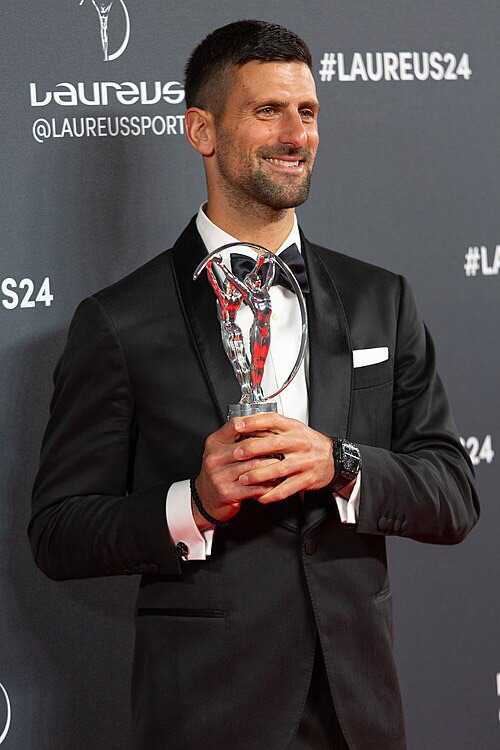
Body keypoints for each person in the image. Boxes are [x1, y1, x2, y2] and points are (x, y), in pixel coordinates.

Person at [29, 19, 479, 750]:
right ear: (201, 131)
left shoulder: (380, 299)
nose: (296, 134)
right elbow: (59, 533)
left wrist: (340, 463)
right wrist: (193, 504)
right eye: (267, 111)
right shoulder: (119, 322)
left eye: (308, 112)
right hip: (208, 713)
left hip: (357, 712)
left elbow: (453, 494)